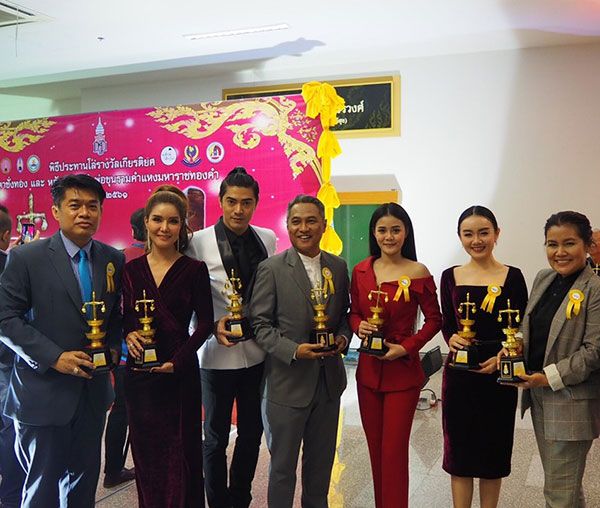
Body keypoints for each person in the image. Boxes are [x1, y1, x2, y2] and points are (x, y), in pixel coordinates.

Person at [0, 174, 125, 507]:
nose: (84, 213)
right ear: (56, 211)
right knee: (42, 490)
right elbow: (5, 319)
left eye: (92, 206)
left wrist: (114, 348)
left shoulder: (112, 259)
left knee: (83, 489)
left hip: (92, 394)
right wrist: (54, 357)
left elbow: (114, 316)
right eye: (75, 205)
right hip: (43, 393)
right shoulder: (26, 258)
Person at [249, 194, 351, 508]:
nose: (303, 228)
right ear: (288, 225)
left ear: (324, 225)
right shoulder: (272, 268)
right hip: (287, 384)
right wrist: (294, 350)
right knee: (282, 470)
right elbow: (260, 324)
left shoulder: (338, 266)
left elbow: (344, 316)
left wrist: (343, 338)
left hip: (328, 385)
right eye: (296, 221)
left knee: (320, 469)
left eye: (311, 221)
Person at [187, 167, 276, 508]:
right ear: (221, 201)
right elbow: (189, 299)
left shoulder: (267, 238)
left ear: (255, 203)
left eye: (246, 202)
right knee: (214, 437)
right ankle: (217, 501)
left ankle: (240, 498)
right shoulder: (197, 242)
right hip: (215, 354)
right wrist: (211, 327)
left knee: (252, 433)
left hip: (257, 353)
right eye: (231, 201)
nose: (239, 210)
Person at [499, 210, 600, 507]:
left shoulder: (595, 288)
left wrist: (547, 377)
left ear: (587, 245)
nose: (559, 252)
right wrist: (512, 348)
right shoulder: (544, 278)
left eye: (569, 243)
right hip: (540, 397)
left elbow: (593, 352)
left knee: (559, 494)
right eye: (552, 244)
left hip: (570, 402)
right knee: (565, 488)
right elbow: (528, 326)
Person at [123, 189, 213, 508]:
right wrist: (128, 335)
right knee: (147, 458)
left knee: (183, 456)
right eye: (157, 220)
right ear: (146, 223)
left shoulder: (194, 269)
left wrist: (178, 360)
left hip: (180, 376)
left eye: (173, 221)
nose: (164, 227)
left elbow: (206, 323)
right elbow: (126, 319)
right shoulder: (131, 271)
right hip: (141, 377)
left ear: (182, 226)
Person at [349, 203, 442, 508]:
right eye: (382, 230)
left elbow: (434, 320)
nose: (388, 237)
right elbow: (354, 312)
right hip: (367, 374)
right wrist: (358, 326)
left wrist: (407, 346)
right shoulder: (361, 270)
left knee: (393, 453)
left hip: (402, 373)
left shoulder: (417, 272)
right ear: (373, 233)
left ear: (406, 233)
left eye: (395, 230)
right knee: (376, 452)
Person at [440, 206, 528, 508]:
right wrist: (451, 337)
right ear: (460, 237)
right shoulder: (450, 276)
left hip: (498, 375)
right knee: (459, 456)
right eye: (468, 234)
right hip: (459, 376)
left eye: (483, 233)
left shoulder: (513, 276)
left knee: (493, 455)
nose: (476, 240)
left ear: (496, 234)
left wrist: (505, 354)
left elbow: (521, 326)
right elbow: (448, 322)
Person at [102, 208, 146, 488]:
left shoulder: (119, 258)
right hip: (147, 350)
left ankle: (113, 469)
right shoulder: (155, 259)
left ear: (132, 231)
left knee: (121, 410)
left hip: (122, 349)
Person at [0, 205, 26, 508]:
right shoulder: (13, 266)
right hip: (7, 359)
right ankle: (11, 497)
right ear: (6, 235)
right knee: (9, 429)